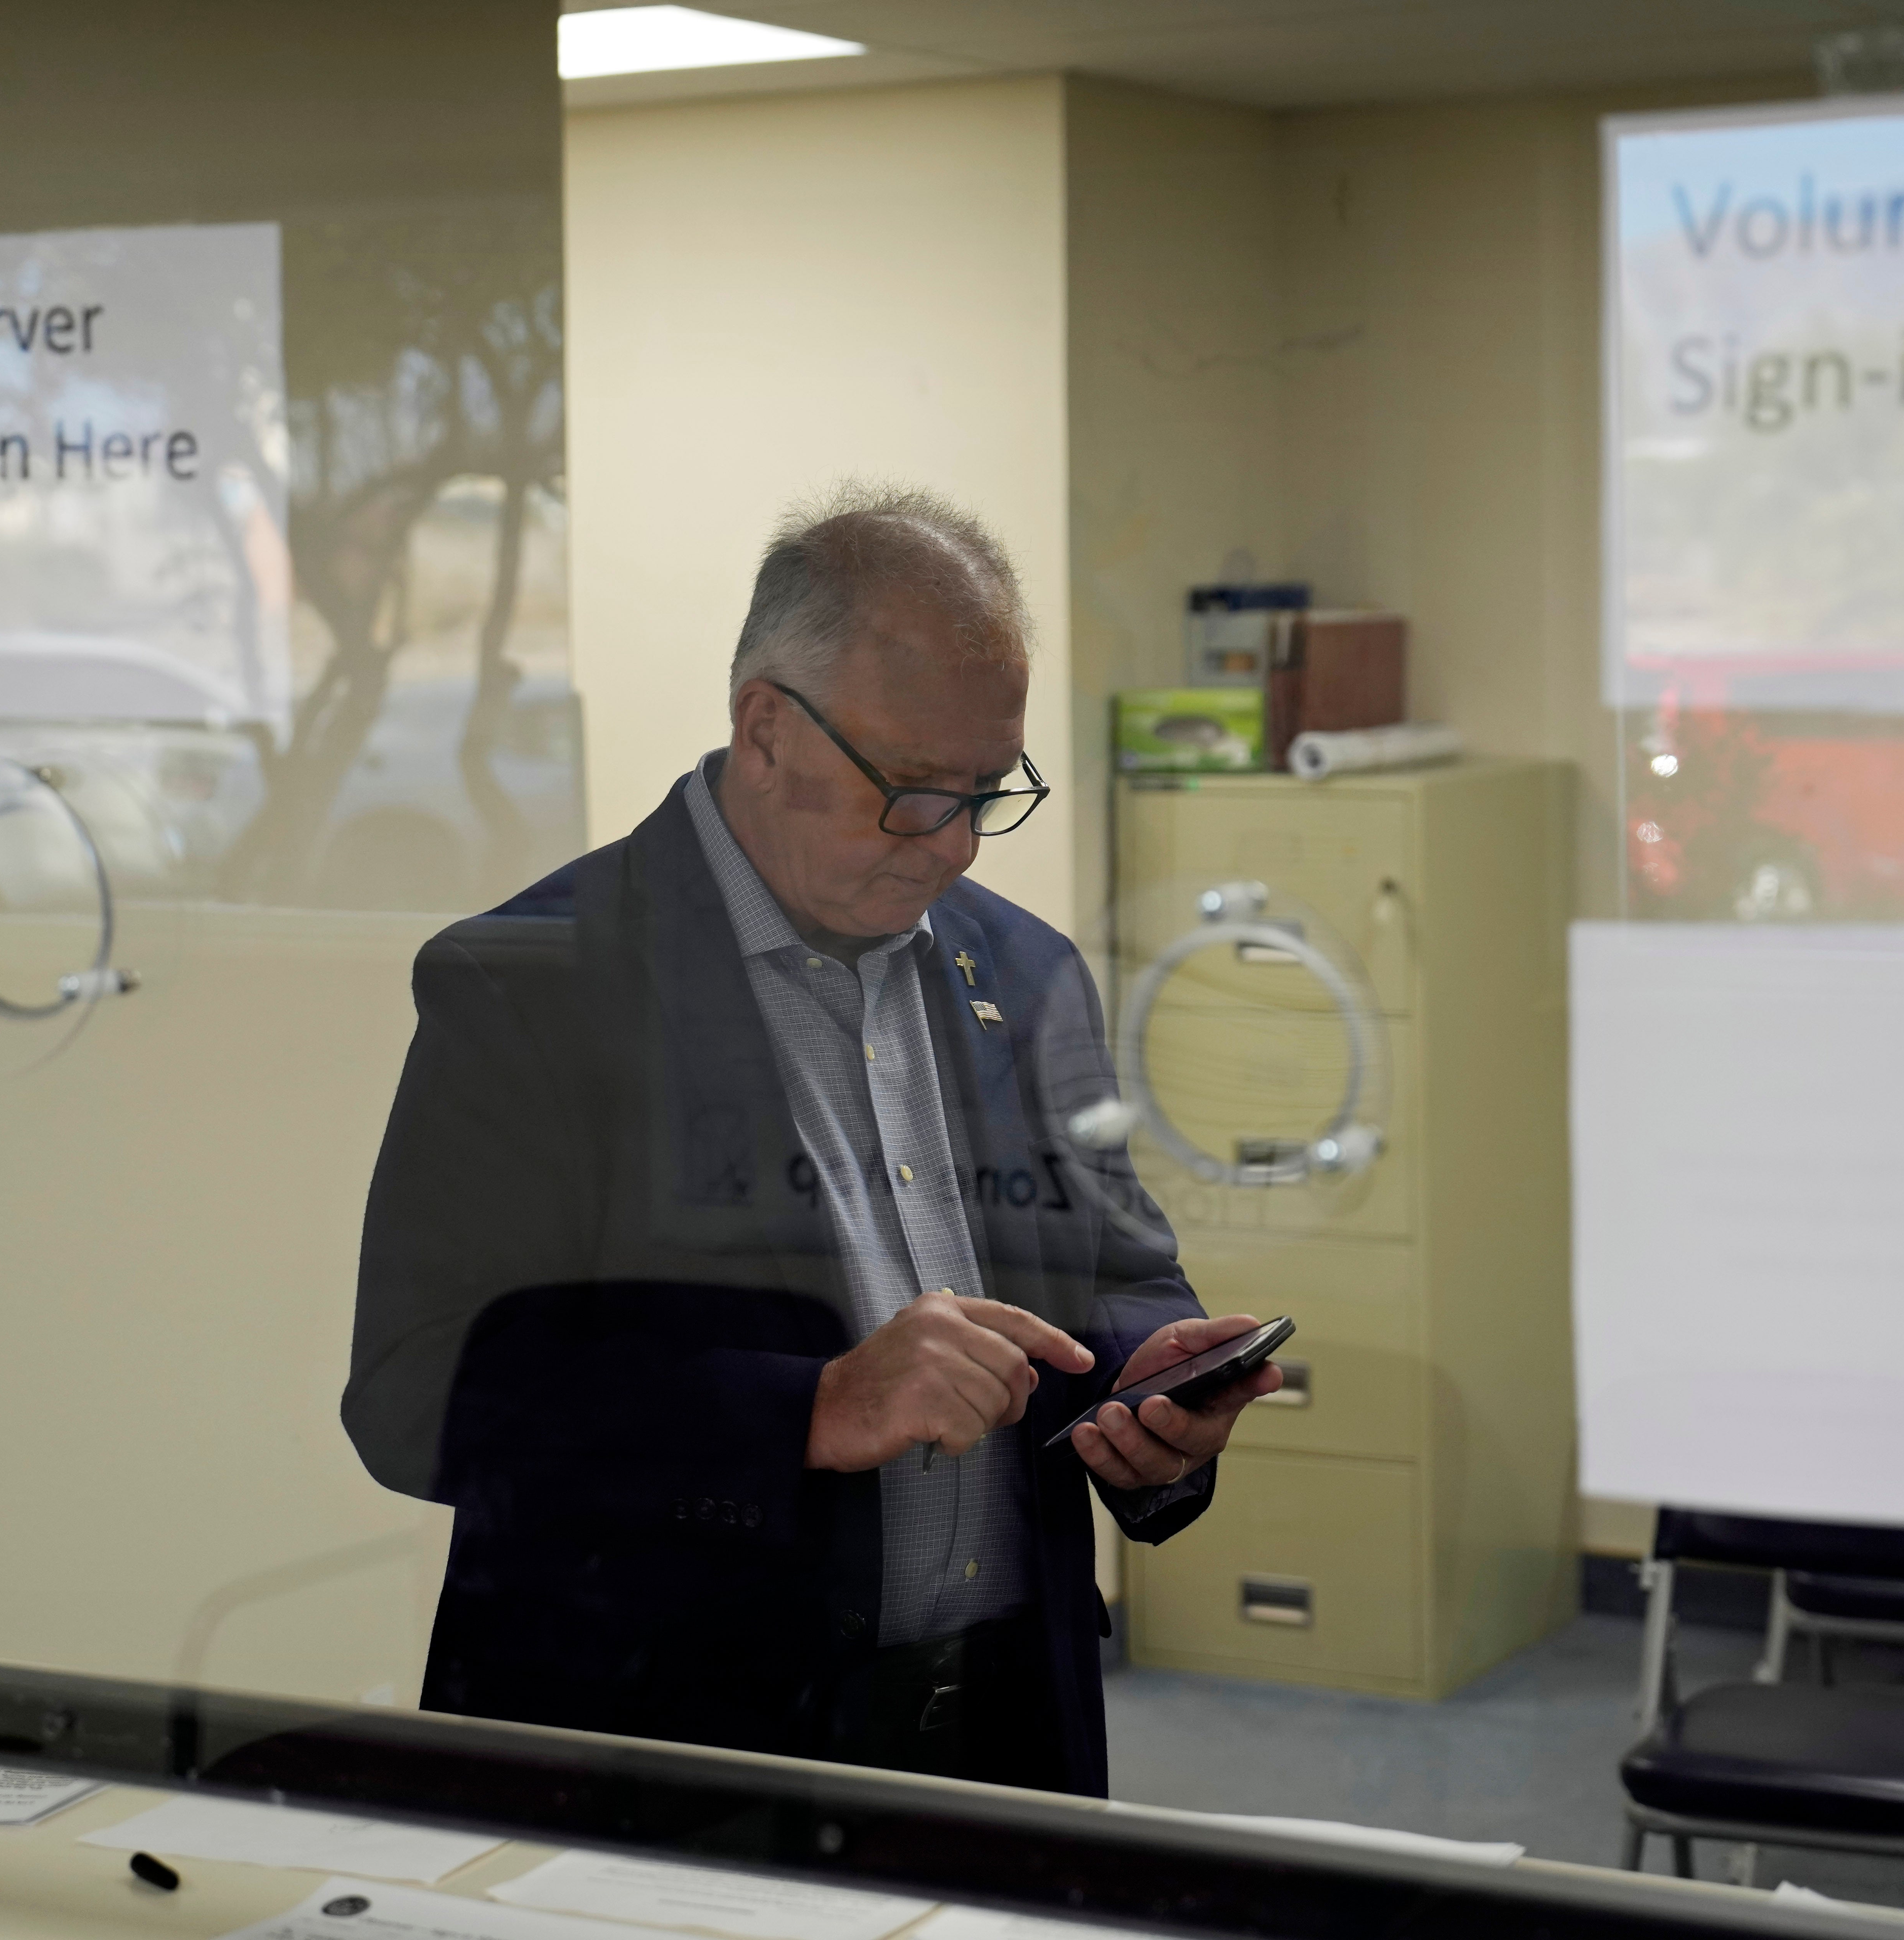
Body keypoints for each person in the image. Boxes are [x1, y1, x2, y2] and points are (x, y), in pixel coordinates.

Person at [342, 482, 1276, 1795]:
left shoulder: (1027, 968)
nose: (950, 845)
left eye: (987, 789)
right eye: (908, 790)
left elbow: (1113, 1272)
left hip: (1001, 1732)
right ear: (765, 730)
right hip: (671, 1749)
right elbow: (413, 1395)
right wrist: (812, 1408)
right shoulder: (534, 986)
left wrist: (1151, 1388)